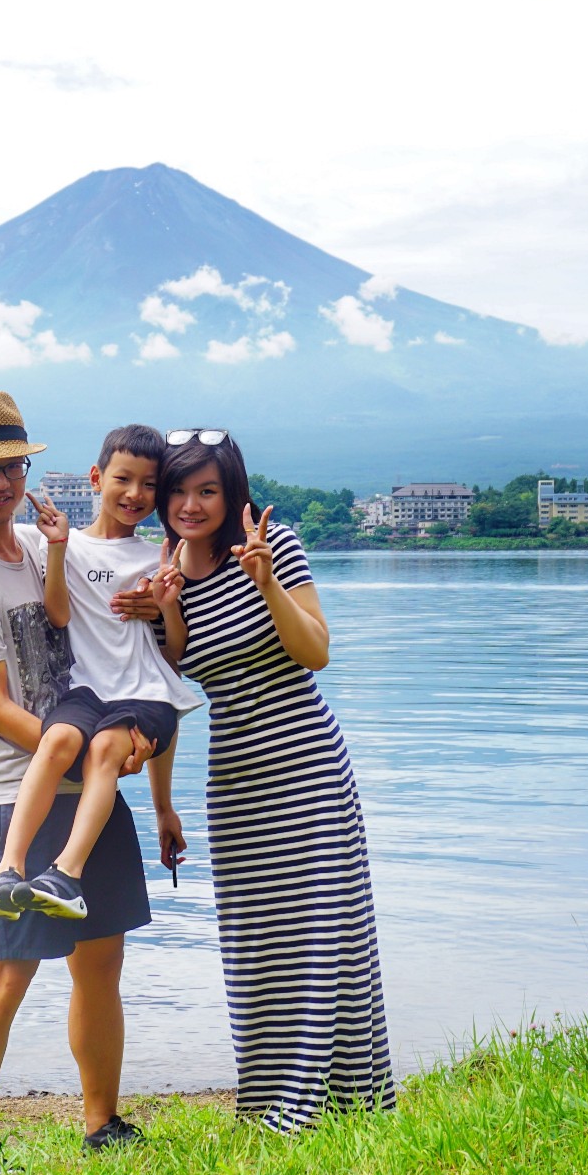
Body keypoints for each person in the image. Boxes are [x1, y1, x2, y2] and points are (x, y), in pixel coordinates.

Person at [0, 391, 161, 1173]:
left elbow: (101, 603)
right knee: (7, 975)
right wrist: (84, 748)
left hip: (90, 783)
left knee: (102, 962)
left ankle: (102, 1122)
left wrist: (149, 604)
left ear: (27, 469)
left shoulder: (34, 544)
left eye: (11, 466)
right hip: (16, 792)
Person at [135, 427, 395, 1132]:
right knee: (258, 942)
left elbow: (316, 653)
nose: (192, 504)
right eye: (180, 491)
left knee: (321, 932)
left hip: (306, 763)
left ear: (233, 493)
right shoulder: (164, 573)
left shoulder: (272, 546)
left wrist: (266, 583)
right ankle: (268, 1100)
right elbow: (169, 693)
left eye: (208, 491)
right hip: (237, 777)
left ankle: (322, 1105)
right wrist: (162, 806)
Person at [0, 425, 199, 922]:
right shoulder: (63, 544)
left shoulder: (161, 557)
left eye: (149, 484)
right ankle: (8, 869)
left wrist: (166, 607)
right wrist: (57, 548)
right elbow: (58, 615)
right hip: (87, 690)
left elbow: (175, 654)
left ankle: (67, 874)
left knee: (102, 749)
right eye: (124, 479)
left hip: (146, 694)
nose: (136, 494)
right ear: (97, 478)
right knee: (55, 741)